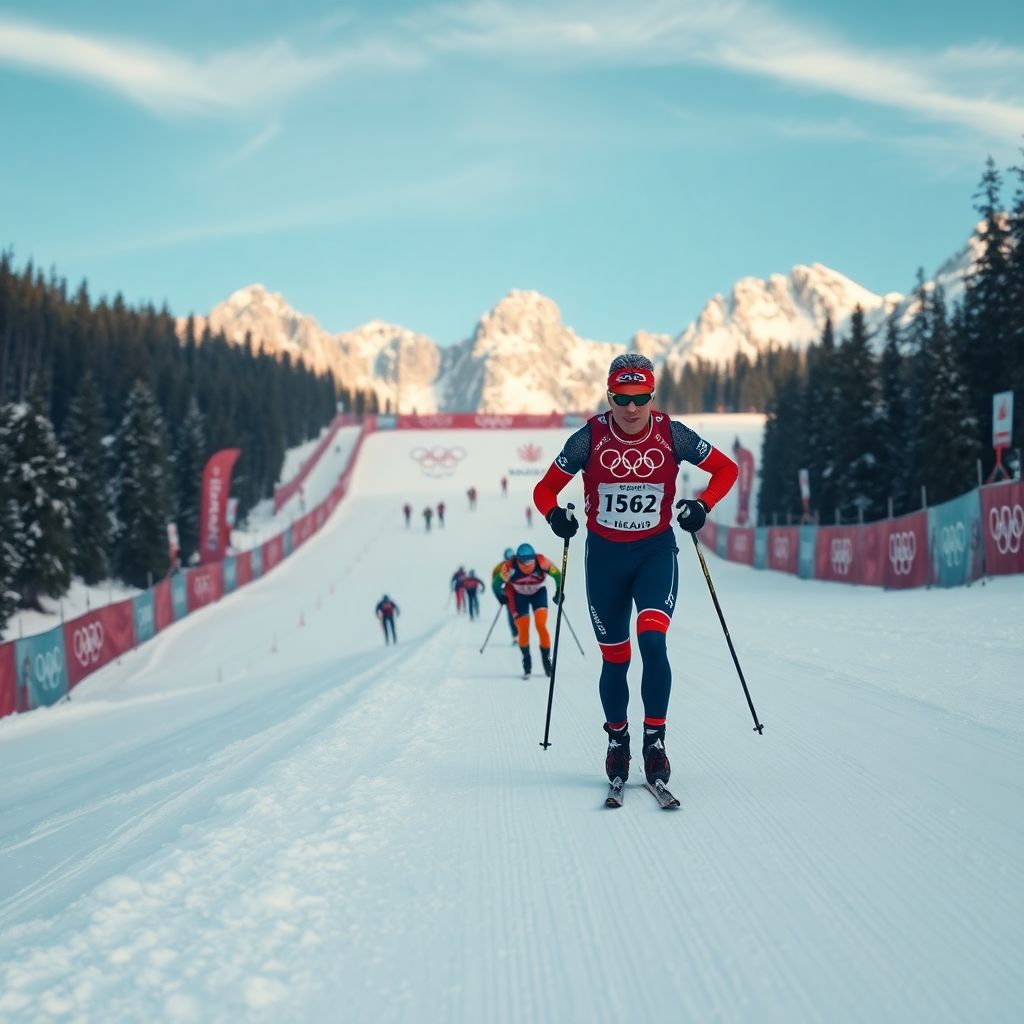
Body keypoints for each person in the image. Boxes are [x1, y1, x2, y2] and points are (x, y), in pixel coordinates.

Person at [533, 353, 738, 789]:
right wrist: (555, 516)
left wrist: (702, 505)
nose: (630, 408)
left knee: (653, 640)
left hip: (654, 554)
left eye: (640, 397)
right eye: (621, 398)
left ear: (652, 396)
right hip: (604, 559)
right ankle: (617, 741)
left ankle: (655, 741)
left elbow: (726, 468)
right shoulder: (588, 438)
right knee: (616, 657)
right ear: (609, 395)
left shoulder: (672, 434)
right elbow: (545, 488)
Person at [493, 542, 562, 678]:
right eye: (523, 562)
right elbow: (496, 583)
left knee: (541, 625)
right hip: (519, 596)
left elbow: (558, 575)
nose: (527, 565)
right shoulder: (509, 567)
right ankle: (527, 660)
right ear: (517, 560)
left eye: (530, 561)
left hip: (538, 593)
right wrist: (500, 596)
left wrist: (559, 592)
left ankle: (546, 660)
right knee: (523, 629)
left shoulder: (541, 561)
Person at [490, 547, 519, 640]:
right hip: (508, 592)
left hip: (520, 590)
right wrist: (500, 595)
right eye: (508, 555)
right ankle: (515, 634)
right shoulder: (500, 567)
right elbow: (495, 582)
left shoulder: (519, 563)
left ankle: (521, 633)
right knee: (511, 612)